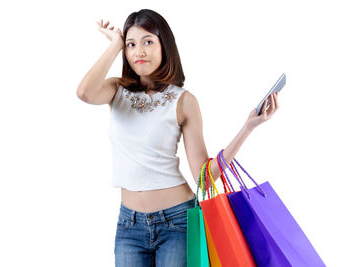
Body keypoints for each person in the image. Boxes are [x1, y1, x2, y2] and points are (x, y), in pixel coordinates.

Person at [76, 9, 279, 267]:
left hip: (176, 222)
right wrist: (116, 44)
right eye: (131, 44)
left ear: (164, 45)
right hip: (129, 225)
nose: (139, 51)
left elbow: (203, 179)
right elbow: (84, 92)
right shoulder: (117, 90)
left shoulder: (183, 101)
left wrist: (248, 127)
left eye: (148, 41)